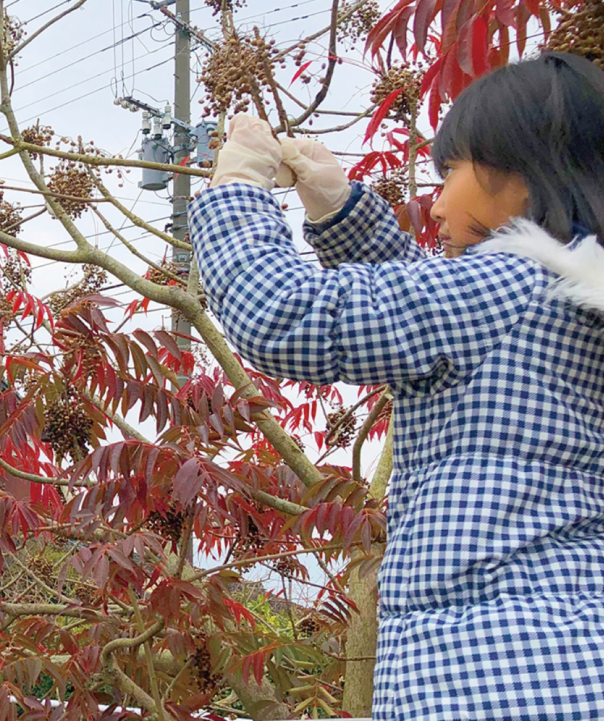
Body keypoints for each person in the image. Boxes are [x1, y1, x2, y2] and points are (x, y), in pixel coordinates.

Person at [188, 52, 604, 720]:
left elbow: (282, 315)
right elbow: (435, 327)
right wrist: (341, 209)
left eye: (453, 172)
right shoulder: (562, 291)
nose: (436, 200)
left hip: (490, 671)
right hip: (559, 653)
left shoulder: (508, 285)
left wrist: (234, 193)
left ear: (523, 173)